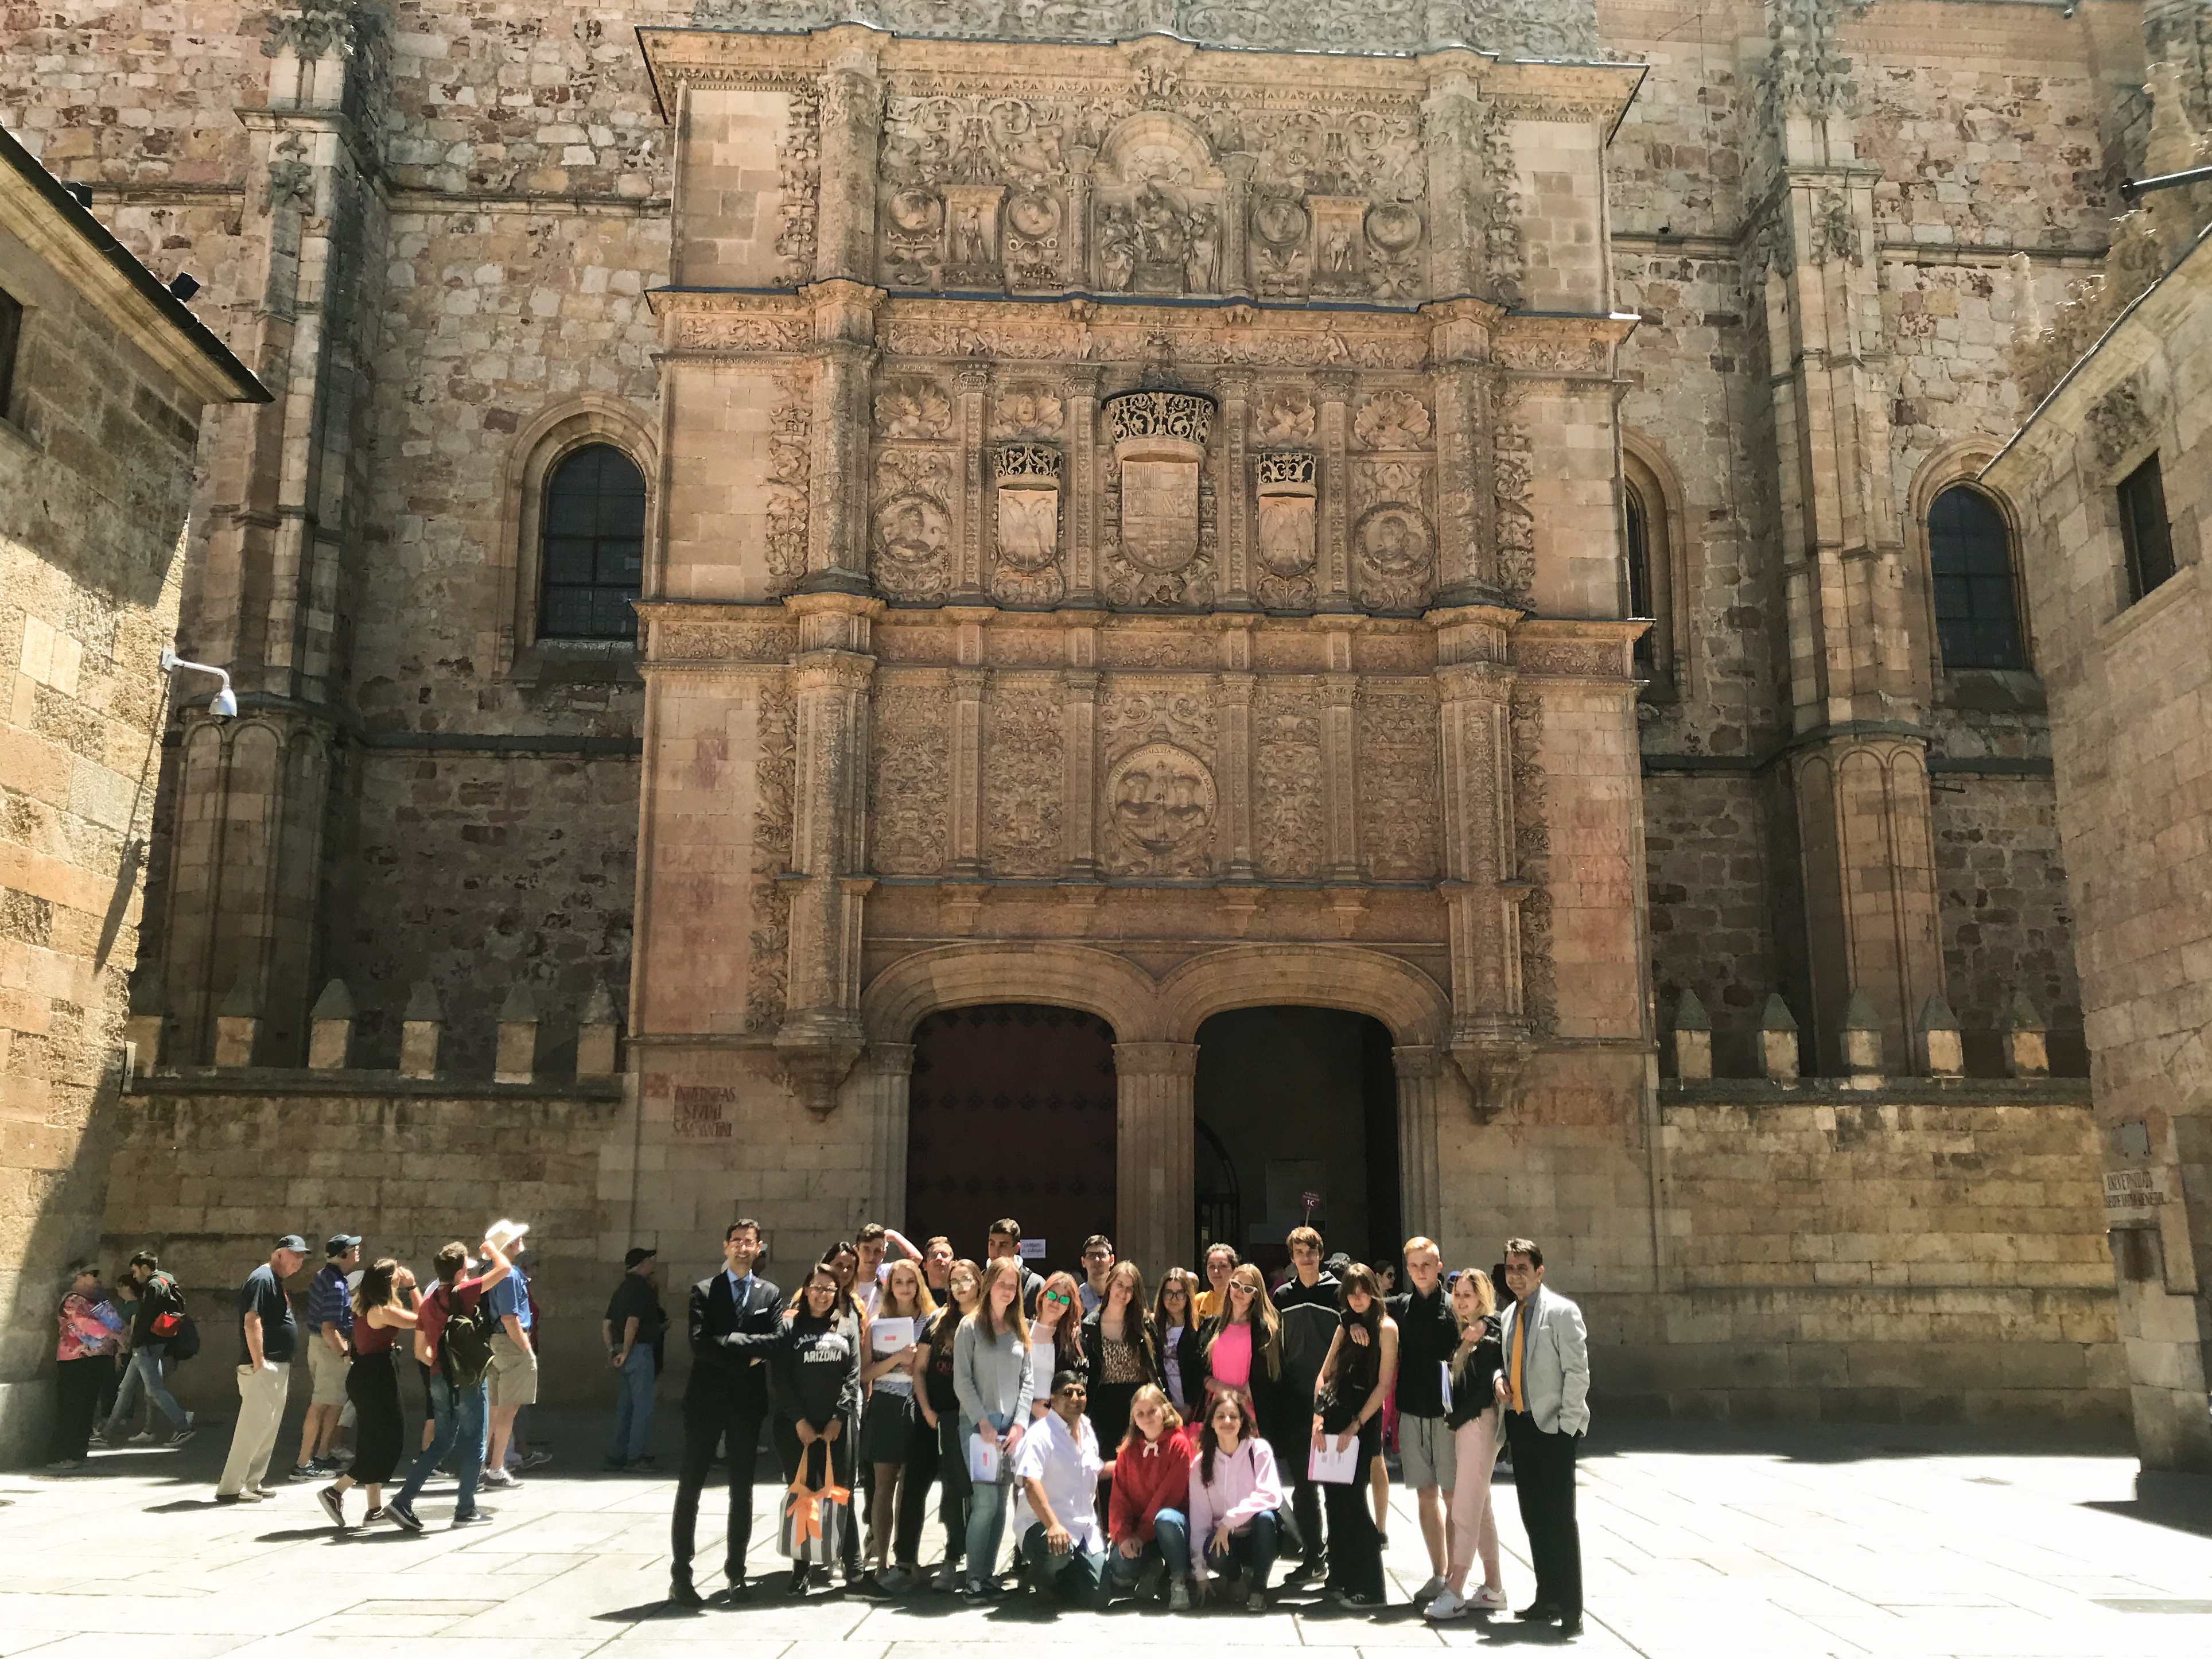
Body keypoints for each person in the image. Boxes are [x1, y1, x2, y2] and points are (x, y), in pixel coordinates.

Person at [668, 1218, 783, 1604]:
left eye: (748, 1242)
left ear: (758, 1247)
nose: (741, 1247)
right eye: (735, 1241)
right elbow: (700, 1343)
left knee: (742, 1489)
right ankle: (681, 1574)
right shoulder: (704, 1290)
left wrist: (730, 1341)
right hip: (705, 1399)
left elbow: (774, 1342)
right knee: (691, 1485)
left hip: (746, 1404)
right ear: (725, 1246)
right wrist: (743, 1355)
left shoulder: (769, 1293)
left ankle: (737, 1571)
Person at [1492, 1238, 1588, 1638]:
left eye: (1522, 1267)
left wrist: (1567, 1425)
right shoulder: (1509, 1314)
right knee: (1533, 1516)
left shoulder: (1561, 1311)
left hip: (1553, 1428)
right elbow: (1504, 1362)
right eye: (1510, 1268)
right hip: (1520, 1425)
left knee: (1559, 1518)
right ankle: (1546, 1594)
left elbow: (1577, 1372)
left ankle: (1571, 1606)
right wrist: (1499, 1379)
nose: (1515, 1275)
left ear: (1539, 1271)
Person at [388, 1233, 512, 1531]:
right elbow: (505, 1269)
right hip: (468, 1378)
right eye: (465, 1269)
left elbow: (421, 1351)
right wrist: (493, 1250)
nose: (468, 1273)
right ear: (459, 1272)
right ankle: (466, 1510)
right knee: (474, 1444)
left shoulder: (429, 1302)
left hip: (439, 1379)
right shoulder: (464, 1291)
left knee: (441, 1441)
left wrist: (443, 1367)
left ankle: (402, 1500)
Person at [769, 1262, 864, 1597]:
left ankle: (855, 1569)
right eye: (817, 1287)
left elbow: (853, 1375)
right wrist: (799, 1421)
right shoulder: (789, 1326)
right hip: (799, 1428)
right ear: (806, 1289)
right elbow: (780, 1378)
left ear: (837, 1293)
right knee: (805, 1494)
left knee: (841, 1491)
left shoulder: (848, 1326)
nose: (822, 1295)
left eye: (829, 1289)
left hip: (838, 1426)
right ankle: (802, 1568)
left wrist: (840, 1416)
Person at [1312, 1262, 1397, 1608]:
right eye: (1352, 1292)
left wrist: (1355, 1426)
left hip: (1361, 1422)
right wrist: (1318, 1418)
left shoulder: (1386, 1328)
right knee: (1335, 1501)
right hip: (1332, 1421)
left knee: (1355, 1502)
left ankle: (1373, 1587)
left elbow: (1384, 1384)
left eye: (1364, 1290)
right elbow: (1324, 1374)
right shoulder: (1344, 1325)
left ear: (1373, 1291)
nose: (1358, 1297)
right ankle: (1344, 1578)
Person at [1427, 1267, 1508, 1619]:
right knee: (1482, 1504)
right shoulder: (1467, 1333)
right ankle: (1493, 1587)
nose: (1460, 1301)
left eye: (1467, 1296)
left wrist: (1455, 1418)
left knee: (1464, 1507)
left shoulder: (1486, 1335)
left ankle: (1456, 1588)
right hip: (1466, 1426)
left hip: (1477, 1424)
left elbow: (1479, 1392)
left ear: (1481, 1298)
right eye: (1457, 1295)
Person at [953, 1254, 1035, 1597]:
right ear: (988, 1286)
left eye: (1012, 1285)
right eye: (1001, 1284)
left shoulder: (1019, 1328)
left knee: (1002, 1503)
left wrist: (1018, 1424)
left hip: (1009, 1429)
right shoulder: (970, 1327)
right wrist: (982, 1422)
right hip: (979, 1425)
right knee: (985, 1503)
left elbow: (1027, 1379)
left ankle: (988, 1575)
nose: (1007, 1290)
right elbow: (962, 1380)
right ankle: (973, 1577)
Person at [317, 1259, 419, 1527]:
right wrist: (414, 1287)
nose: (401, 1273)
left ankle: (373, 1509)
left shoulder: (366, 1304)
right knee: (390, 1438)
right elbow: (423, 1321)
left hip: (369, 1373)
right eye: (397, 1270)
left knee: (373, 1439)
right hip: (375, 1376)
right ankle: (336, 1490)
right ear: (389, 1279)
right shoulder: (382, 1310)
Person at [900, 1256, 979, 1591]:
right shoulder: (937, 1321)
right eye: (955, 1281)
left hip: (968, 1422)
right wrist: (928, 1410)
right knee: (914, 1485)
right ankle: (904, 1561)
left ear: (979, 1283)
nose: (960, 1286)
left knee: (958, 1492)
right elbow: (919, 1369)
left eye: (967, 1280)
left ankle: (954, 1557)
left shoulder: (986, 1322)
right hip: (932, 1416)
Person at [1389, 1235, 1458, 1604]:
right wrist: (1352, 1319)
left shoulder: (1456, 1308)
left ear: (1439, 1265)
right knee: (1425, 1494)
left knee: (1452, 1495)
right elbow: (1359, 1304)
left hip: (1448, 1417)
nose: (1420, 1272)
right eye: (1414, 1265)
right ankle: (1438, 1572)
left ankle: (1457, 1577)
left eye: (1427, 1265)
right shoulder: (1400, 1306)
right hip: (1412, 1411)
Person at [1273, 1226, 1340, 1584]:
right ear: (1292, 1257)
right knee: (1304, 1484)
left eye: (1311, 1251)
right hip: (1296, 1401)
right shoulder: (1282, 1296)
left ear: (1320, 1253)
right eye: (1300, 1252)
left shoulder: (1339, 1292)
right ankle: (1314, 1556)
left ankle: (1340, 1559)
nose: (1306, 1257)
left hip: (1331, 1401)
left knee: (1335, 1483)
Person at [860, 1256, 933, 1586]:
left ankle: (907, 1557)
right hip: (887, 1405)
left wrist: (918, 1365)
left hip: (919, 1403)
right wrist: (897, 1360)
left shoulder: (932, 1320)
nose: (905, 1288)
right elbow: (865, 1373)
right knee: (883, 1486)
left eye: (910, 1281)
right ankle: (880, 1559)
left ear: (919, 1284)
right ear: (890, 1287)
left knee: (912, 1487)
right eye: (898, 1282)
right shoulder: (877, 1322)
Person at [217, 1233, 306, 1501]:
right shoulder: (262, 1279)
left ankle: (253, 1482)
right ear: (279, 1253)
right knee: (252, 1428)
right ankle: (232, 1487)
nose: (299, 1262)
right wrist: (260, 1363)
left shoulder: (273, 1281)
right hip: (264, 1366)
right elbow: (251, 1320)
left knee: (267, 1428)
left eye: (302, 1257)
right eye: (295, 1255)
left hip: (276, 1365)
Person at [1013, 1370, 1107, 1606]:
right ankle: (1040, 1576)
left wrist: (1132, 1461)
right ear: (1052, 1399)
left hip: (1083, 1530)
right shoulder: (1040, 1435)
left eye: (1081, 1393)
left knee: (1099, 1598)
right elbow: (1030, 1482)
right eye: (1068, 1393)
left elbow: (1096, 1470)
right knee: (1059, 1552)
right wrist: (1053, 1525)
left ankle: (1061, 1580)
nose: (1075, 1398)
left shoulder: (1087, 1429)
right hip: (1043, 1527)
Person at [1186, 1389, 1284, 1613]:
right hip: (1226, 1542)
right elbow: (1200, 1521)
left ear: (1242, 1421)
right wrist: (1200, 1573)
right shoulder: (1201, 1465)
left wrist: (1228, 1521)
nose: (1227, 1421)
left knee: (1266, 1518)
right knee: (1215, 1553)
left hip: (1261, 1535)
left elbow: (1271, 1495)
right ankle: (1235, 1577)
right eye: (1220, 1416)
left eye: (1233, 1416)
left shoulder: (1259, 1450)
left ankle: (1259, 1590)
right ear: (1210, 1422)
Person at [1102, 1383, 1195, 1609]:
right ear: (1134, 1418)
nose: (1147, 1418)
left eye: (1152, 1411)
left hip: (1172, 1529)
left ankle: (1179, 1580)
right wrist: (1122, 1536)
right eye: (1140, 1414)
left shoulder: (1178, 1444)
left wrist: (1140, 1537)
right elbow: (1119, 1498)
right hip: (1139, 1533)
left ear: (1164, 1410)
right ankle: (1152, 1566)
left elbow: (1167, 1497)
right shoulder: (1128, 1449)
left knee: (1165, 1518)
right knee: (1120, 1567)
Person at [98, 1251, 193, 1448]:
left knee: (154, 1390)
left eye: (135, 1271)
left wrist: (135, 1342)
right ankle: (106, 1433)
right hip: (155, 1342)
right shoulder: (167, 1279)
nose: (134, 1276)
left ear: (144, 1268)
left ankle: (183, 1426)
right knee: (126, 1389)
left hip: (146, 1345)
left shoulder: (153, 1285)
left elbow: (145, 1317)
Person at [293, 1233, 359, 1479]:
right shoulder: (335, 1284)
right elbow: (328, 1328)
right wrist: (344, 1354)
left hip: (323, 1346)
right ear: (343, 1256)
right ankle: (303, 1464)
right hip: (330, 1347)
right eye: (354, 1249)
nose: (357, 1252)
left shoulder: (329, 1277)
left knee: (334, 1403)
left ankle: (321, 1455)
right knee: (320, 1405)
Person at [48, 1262, 121, 1471]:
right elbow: (84, 1323)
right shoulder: (72, 1300)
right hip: (74, 1360)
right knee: (73, 1408)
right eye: (93, 1274)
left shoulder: (95, 1299)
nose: (97, 1278)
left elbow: (111, 1321)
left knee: (88, 1408)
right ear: (79, 1277)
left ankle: (79, 1453)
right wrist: (113, 1334)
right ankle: (61, 1456)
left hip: (94, 1359)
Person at [1080, 1260, 1157, 1455]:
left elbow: (1156, 1367)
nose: (1123, 1293)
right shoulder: (1090, 1326)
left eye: (1130, 1289)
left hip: (1138, 1405)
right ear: (1110, 1284)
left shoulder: (1143, 1325)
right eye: (1120, 1285)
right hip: (1102, 1404)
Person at [482, 1229, 537, 1489]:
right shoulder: (509, 1274)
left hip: (494, 1343)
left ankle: (486, 1465)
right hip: (510, 1343)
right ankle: (495, 1470)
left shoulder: (490, 1270)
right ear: (511, 1243)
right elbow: (510, 1317)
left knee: (494, 1409)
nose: (522, 1241)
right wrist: (525, 1348)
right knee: (507, 1410)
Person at [604, 1246, 665, 1471]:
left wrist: (613, 1350)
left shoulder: (622, 1289)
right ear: (641, 1264)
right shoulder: (640, 1289)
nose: (653, 1263)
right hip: (638, 1351)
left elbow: (607, 1323)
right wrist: (627, 1351)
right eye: (649, 1260)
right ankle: (635, 1456)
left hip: (624, 1349)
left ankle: (619, 1453)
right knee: (643, 1406)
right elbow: (633, 1321)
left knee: (626, 1406)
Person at [1196, 1262, 1280, 1421]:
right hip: (1214, 1409)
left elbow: (1267, 1377)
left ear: (1255, 1295)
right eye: (1236, 1285)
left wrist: (1242, 1394)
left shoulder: (1264, 1331)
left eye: (1248, 1289)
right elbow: (1199, 1370)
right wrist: (1217, 1387)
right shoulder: (1211, 1325)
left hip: (1247, 1411)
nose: (1240, 1291)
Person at [1027, 1270, 1085, 1417]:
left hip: (1056, 1417)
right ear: (1042, 1297)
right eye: (1052, 1295)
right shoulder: (1023, 1329)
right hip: (1022, 1413)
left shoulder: (1070, 1339)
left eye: (1064, 1300)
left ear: (1069, 1307)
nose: (1056, 1302)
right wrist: (1031, 1406)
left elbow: (1080, 1381)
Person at [1152, 1266, 1203, 1416]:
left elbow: (1202, 1376)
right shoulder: (1152, 1330)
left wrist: (1191, 1408)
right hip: (1161, 1412)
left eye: (1180, 1294)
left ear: (1188, 1297)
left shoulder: (1200, 1330)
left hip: (1193, 1412)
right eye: (1169, 1293)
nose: (1174, 1299)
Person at [855, 1221, 921, 1316]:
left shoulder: (886, 1274)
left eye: (877, 1251)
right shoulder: (847, 1278)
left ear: (884, 1253)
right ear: (856, 1250)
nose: (872, 1256)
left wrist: (895, 1236)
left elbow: (916, 1260)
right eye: (866, 1249)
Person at [983, 1217, 1044, 1315]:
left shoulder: (1034, 1285)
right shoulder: (979, 1281)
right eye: (992, 1244)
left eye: (1003, 1245)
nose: (996, 1250)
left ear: (1017, 1248)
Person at [1194, 1243, 1238, 1319]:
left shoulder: (1241, 1300)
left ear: (1234, 1270)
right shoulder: (1199, 1301)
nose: (1216, 1271)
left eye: (1223, 1266)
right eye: (1211, 1266)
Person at [1077, 1234, 1115, 1315]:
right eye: (1091, 1255)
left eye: (1102, 1255)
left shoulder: (1121, 1295)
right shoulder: (1076, 1298)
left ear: (1112, 1260)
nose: (1097, 1260)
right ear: (1083, 1262)